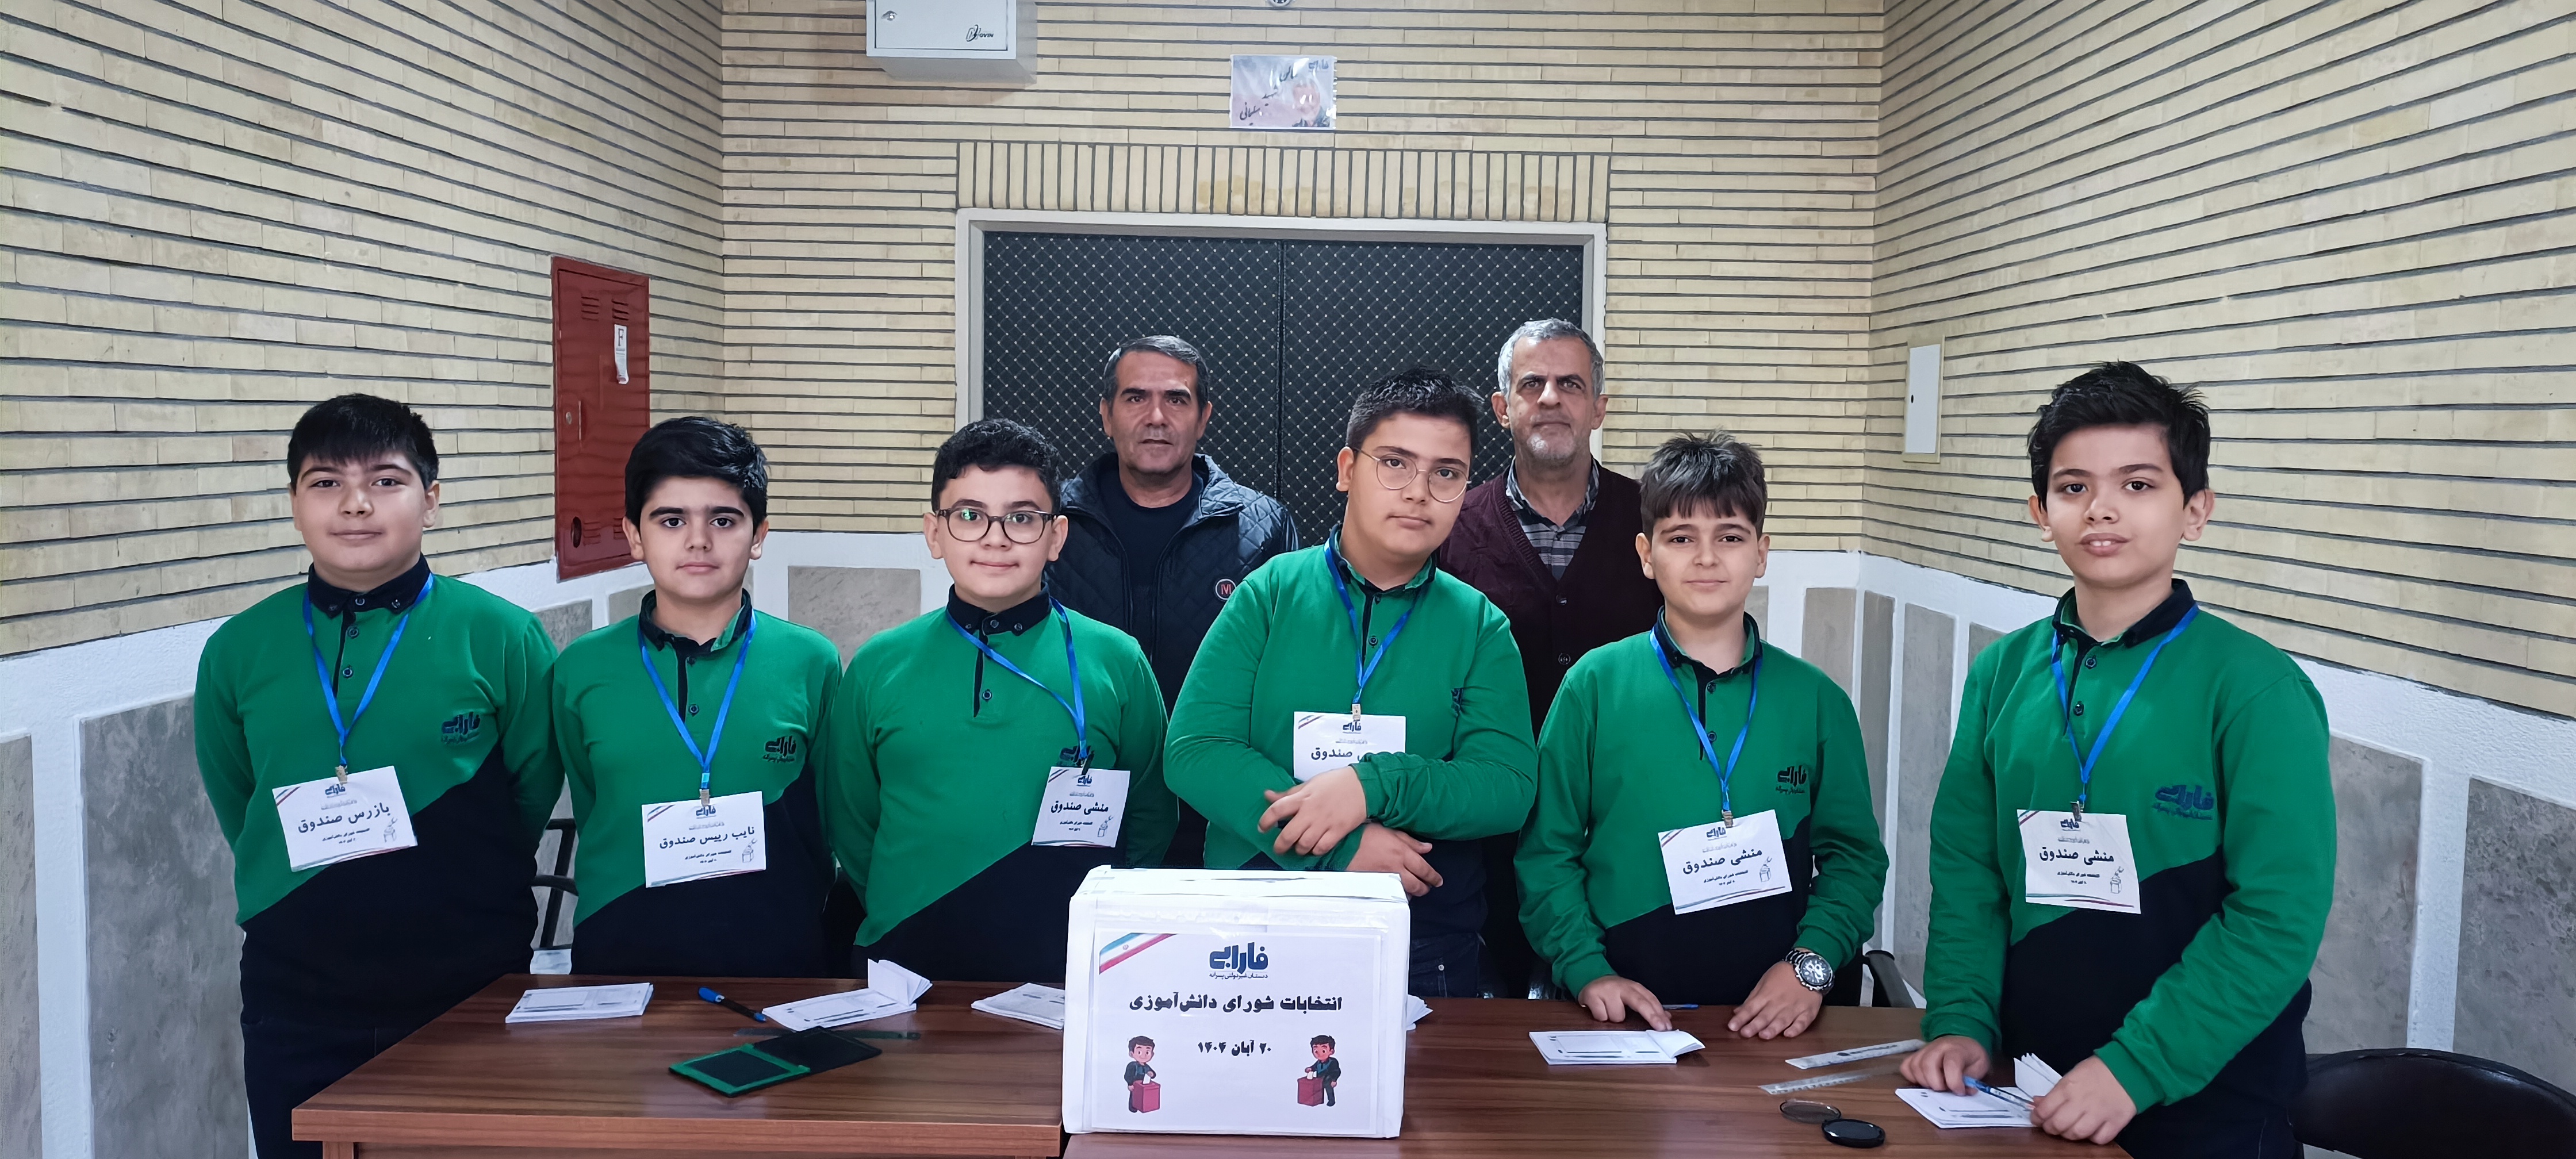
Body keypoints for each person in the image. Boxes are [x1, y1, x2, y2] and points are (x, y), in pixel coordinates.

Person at [1899, 363, 2333, 1157]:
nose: (2101, 509)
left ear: (2194, 510)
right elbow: (1967, 873)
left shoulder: (2255, 688)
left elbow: (2277, 915)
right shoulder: (2002, 674)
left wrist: (2135, 1069)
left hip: (2206, 1106)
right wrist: (1960, 1020)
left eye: (2138, 485)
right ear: (2041, 512)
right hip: (2029, 1088)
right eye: (2073, 488)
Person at [194, 394, 562, 1159]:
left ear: (431, 499)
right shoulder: (239, 649)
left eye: (386, 481)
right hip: (298, 1000)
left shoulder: (500, 635)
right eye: (326, 482)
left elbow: (530, 787)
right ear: (294, 502)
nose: (355, 504)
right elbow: (240, 799)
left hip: (468, 990)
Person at [1166, 366, 1537, 997]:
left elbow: (1506, 786)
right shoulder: (1269, 594)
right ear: (1346, 469)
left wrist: (1371, 785)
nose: (1418, 492)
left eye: (1446, 473)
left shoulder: (1480, 625)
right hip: (1257, 924)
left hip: (1420, 936)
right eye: (1394, 463)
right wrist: (1337, 848)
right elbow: (1196, 751)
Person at [1515, 433, 1885, 1039]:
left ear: (1761, 553)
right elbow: (1546, 852)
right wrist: (1587, 971)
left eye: (1730, 537)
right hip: (1627, 1015)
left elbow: (1855, 860)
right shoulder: (1593, 686)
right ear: (1646, 554)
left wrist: (1809, 967)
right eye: (1681, 538)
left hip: (1780, 1019)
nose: (1707, 558)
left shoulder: (1817, 700)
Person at [829, 419, 1175, 983]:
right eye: (969, 516)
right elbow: (851, 820)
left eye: (1022, 518)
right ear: (934, 532)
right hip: (905, 964)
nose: (995, 538)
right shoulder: (878, 665)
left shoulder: (1116, 660)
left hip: (1070, 970)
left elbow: (1150, 813)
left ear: (1056, 537)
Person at [550, 417, 841, 977]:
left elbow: (833, 815)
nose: (698, 540)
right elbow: (592, 802)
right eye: (671, 520)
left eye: (724, 520)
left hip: (781, 959)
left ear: (759, 536)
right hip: (620, 956)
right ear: (635, 536)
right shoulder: (581, 669)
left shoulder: (811, 661)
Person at [1444, 318, 1662, 996]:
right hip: (1486, 835)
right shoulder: (1451, 527)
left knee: (1624, 1009)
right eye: (1531, 384)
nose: (1549, 399)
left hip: (1626, 825)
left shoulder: (1657, 521)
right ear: (1501, 406)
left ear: (1599, 407)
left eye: (1570, 384)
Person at [1051, 335, 1299, 869]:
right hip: (1077, 804)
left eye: (1177, 399)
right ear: (1106, 414)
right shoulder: (1052, 525)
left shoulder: (1262, 529)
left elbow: (1285, 677)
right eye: (1136, 398)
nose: (1157, 417)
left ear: (1203, 417)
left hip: (1217, 811)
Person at [1304, 1035, 1342, 1106]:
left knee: (1329, 1091)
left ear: (1331, 1051)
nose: (1319, 1054)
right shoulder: (1318, 1062)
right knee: (1318, 1091)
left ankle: (1331, 1101)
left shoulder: (1333, 1062)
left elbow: (1336, 1072)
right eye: (1316, 1051)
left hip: (1328, 1081)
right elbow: (1315, 1067)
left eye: (1323, 1051)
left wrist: (1334, 1080)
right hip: (1319, 1080)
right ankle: (1319, 1101)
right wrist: (1310, 1069)